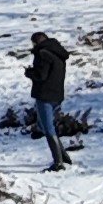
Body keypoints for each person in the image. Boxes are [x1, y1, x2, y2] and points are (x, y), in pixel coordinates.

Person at [25, 32, 73, 170]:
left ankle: (58, 163)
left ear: (35, 43)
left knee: (48, 128)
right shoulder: (58, 53)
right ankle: (64, 157)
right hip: (57, 96)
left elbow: (41, 75)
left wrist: (29, 73)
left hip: (44, 95)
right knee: (47, 125)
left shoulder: (42, 54)